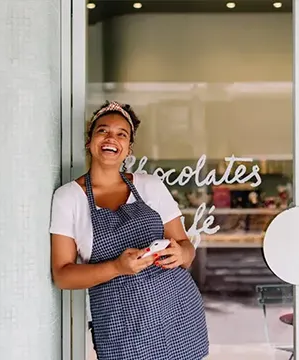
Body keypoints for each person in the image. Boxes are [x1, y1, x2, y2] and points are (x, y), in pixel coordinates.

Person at [50, 101, 209, 360]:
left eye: (121, 134)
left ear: (128, 149)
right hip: (121, 329)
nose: (112, 138)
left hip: (177, 314)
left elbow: (185, 246)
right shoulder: (68, 198)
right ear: (89, 141)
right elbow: (62, 275)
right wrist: (117, 268)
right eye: (103, 131)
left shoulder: (150, 186)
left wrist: (182, 254)